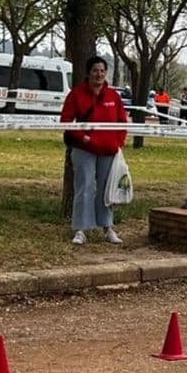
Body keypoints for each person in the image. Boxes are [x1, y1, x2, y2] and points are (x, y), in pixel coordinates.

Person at [60, 56, 128, 246]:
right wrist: (83, 137)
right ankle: (81, 229)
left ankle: (107, 227)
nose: (99, 74)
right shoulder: (76, 94)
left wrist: (118, 142)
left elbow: (122, 122)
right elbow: (66, 121)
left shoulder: (113, 96)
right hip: (84, 149)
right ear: (88, 73)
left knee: (107, 190)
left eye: (102, 71)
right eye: (95, 71)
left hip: (108, 151)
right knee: (85, 187)